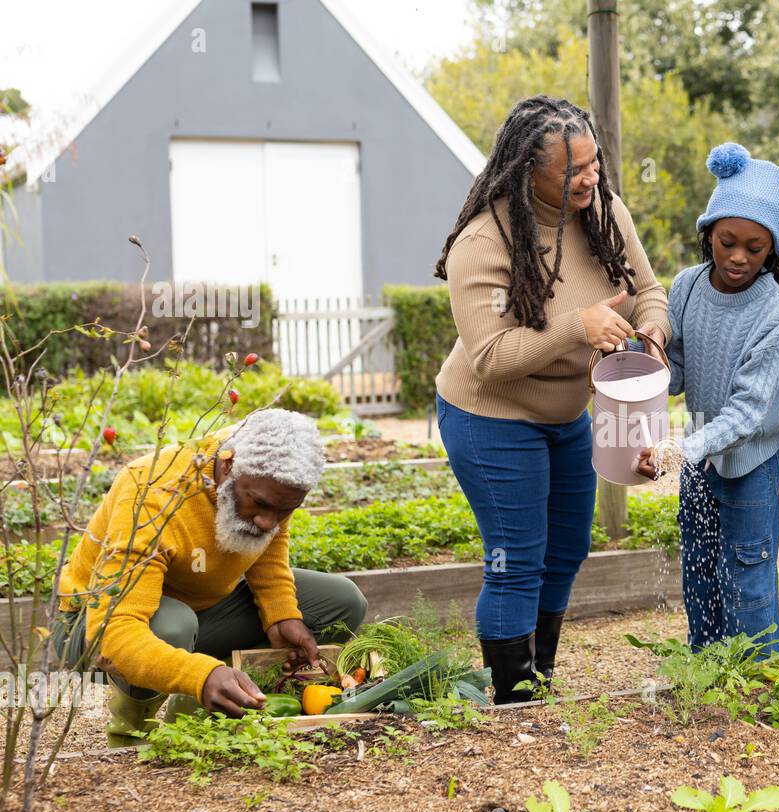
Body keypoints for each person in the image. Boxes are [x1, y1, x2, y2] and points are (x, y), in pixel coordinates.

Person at [433, 95, 671, 703]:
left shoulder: (604, 212)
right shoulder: (483, 242)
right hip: (490, 416)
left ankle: (538, 678)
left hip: (566, 414)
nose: (589, 178)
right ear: (523, 170)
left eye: (593, 163)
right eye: (571, 171)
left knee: (568, 549)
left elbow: (647, 290)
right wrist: (575, 328)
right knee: (517, 558)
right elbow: (488, 359)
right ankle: (514, 699)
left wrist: (652, 335)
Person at [52, 410, 369, 746]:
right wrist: (199, 675)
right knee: (173, 625)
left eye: (285, 510)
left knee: (342, 601)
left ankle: (194, 719)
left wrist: (281, 613)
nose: (268, 521)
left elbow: (268, 549)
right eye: (259, 503)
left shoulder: (269, 486)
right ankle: (131, 734)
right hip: (93, 628)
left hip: (201, 611)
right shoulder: (153, 494)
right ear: (229, 467)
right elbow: (116, 638)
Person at [634, 143, 779, 658]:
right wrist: (640, 363)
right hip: (697, 453)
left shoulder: (775, 311)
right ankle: (707, 664)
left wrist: (683, 449)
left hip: (749, 457)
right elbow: (678, 372)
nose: (738, 256)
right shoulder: (687, 287)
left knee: (747, 569)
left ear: (772, 250)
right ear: (708, 232)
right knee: (700, 560)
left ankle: (758, 678)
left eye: (755, 248)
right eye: (727, 240)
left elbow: (750, 410)